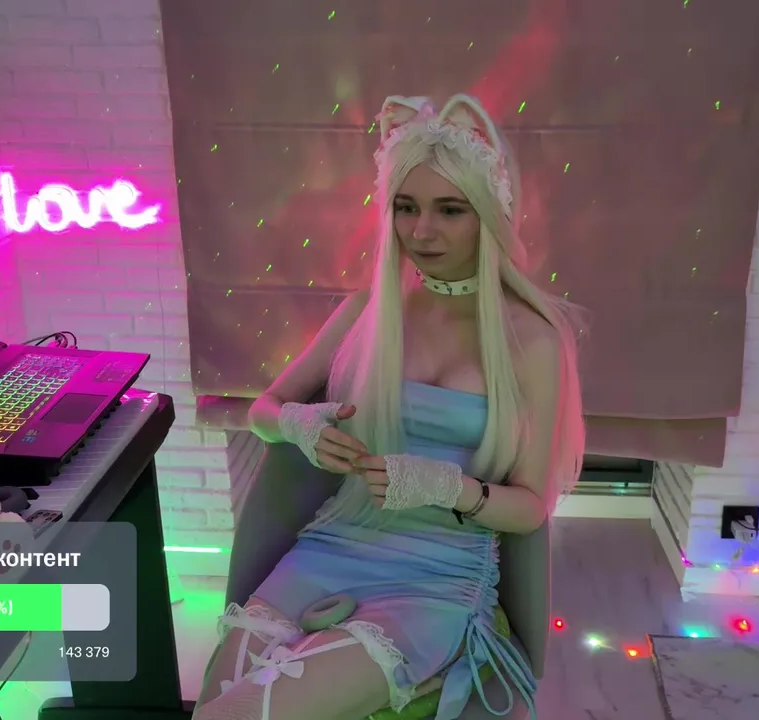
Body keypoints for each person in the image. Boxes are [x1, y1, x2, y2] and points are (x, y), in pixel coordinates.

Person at [192, 94, 585, 720]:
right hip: (329, 549)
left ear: (489, 213)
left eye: (449, 210)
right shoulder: (369, 313)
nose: (421, 231)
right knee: (217, 706)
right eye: (406, 207)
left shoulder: (530, 340)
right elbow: (263, 410)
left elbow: (531, 507)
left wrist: (447, 486)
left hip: (436, 579)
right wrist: (298, 424)